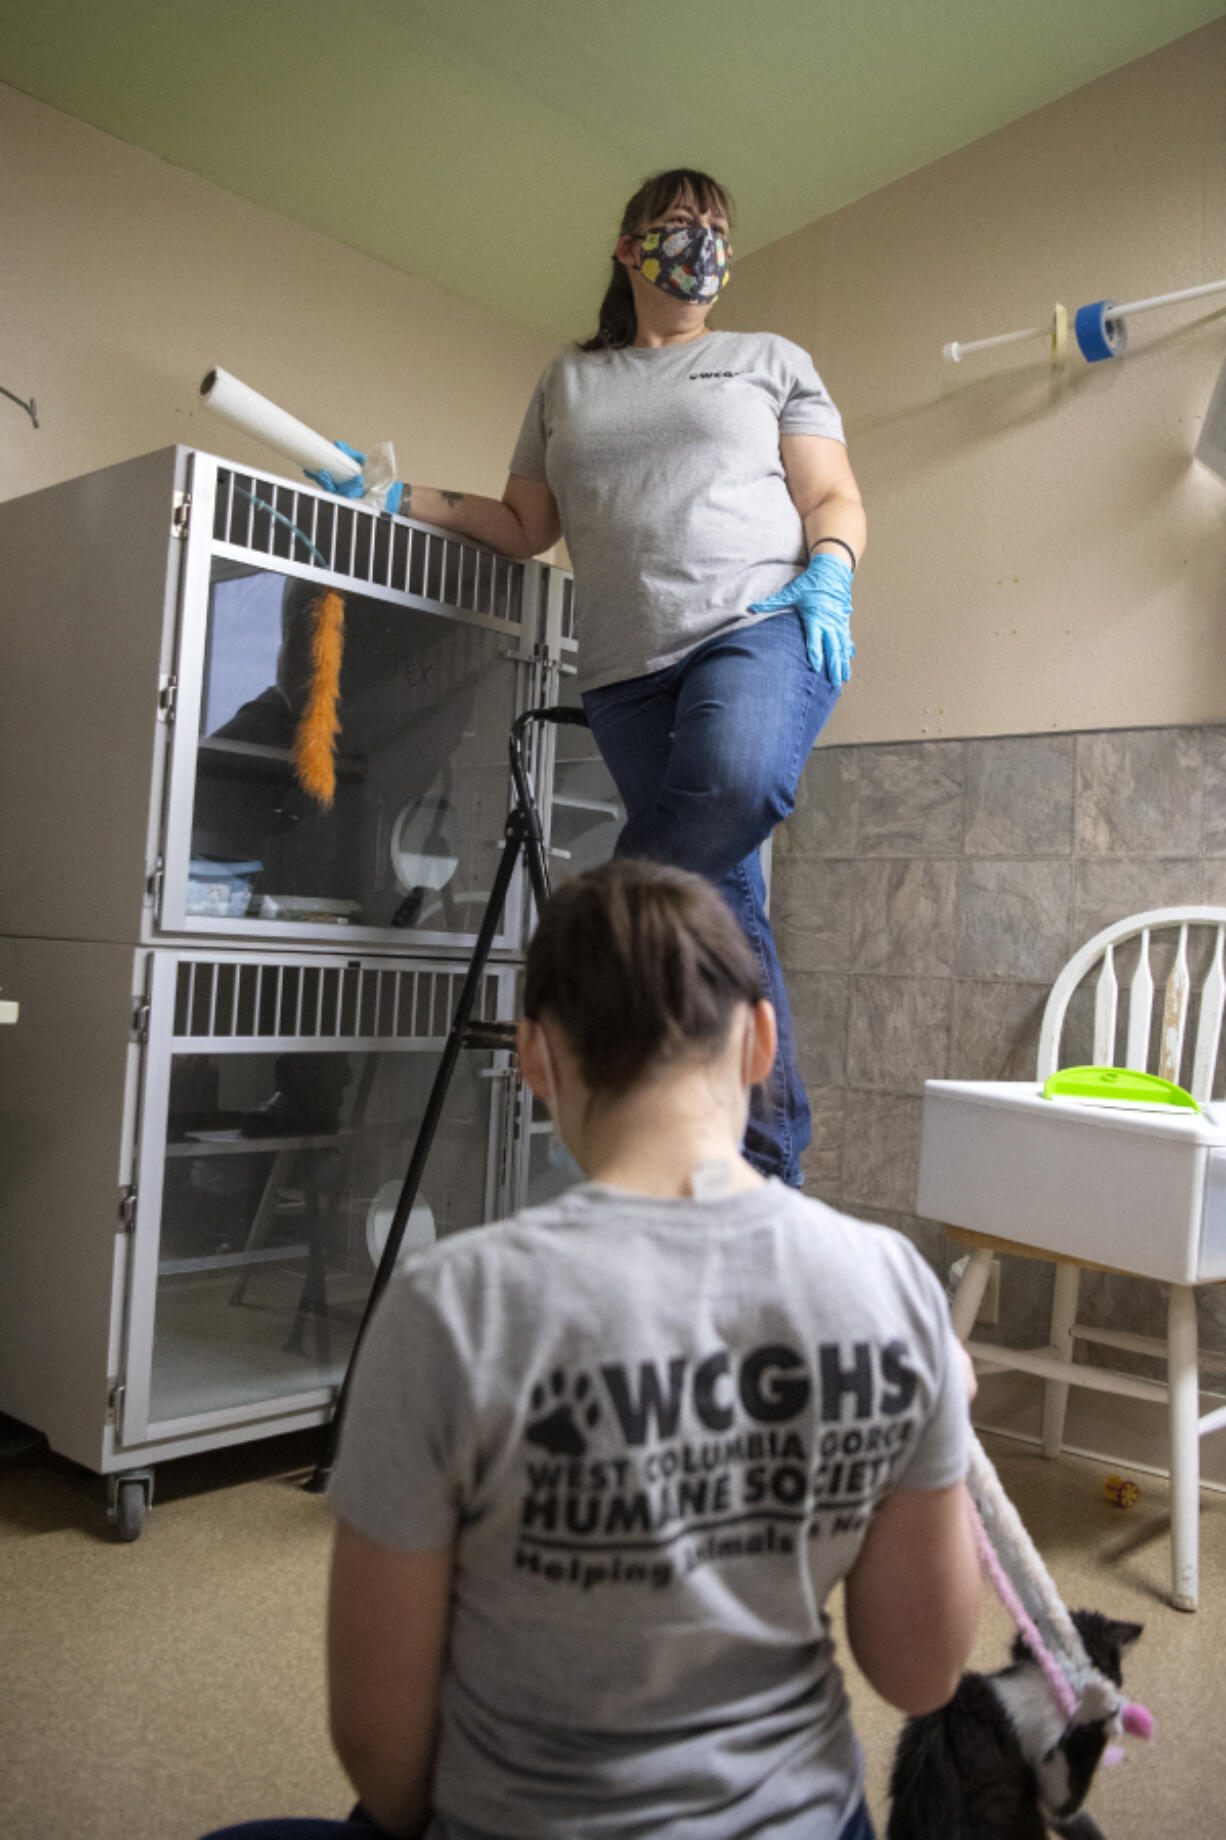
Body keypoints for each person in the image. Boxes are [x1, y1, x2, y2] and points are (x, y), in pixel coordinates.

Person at [202, 859, 980, 1840]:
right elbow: (919, 1671)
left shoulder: (450, 1307)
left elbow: (378, 1739)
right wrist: (938, 1418)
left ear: (533, 1059)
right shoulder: (892, 1285)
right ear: (760, 1041)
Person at [308, 168, 866, 1189]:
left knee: (733, 786)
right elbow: (527, 527)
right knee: (724, 901)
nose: (700, 241)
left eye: (716, 228)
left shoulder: (766, 360)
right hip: (625, 677)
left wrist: (828, 572)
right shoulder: (568, 380)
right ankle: (767, 1163)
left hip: (757, 627)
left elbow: (830, 492)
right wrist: (399, 495)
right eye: (678, 223)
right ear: (627, 247)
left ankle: (580, 950)